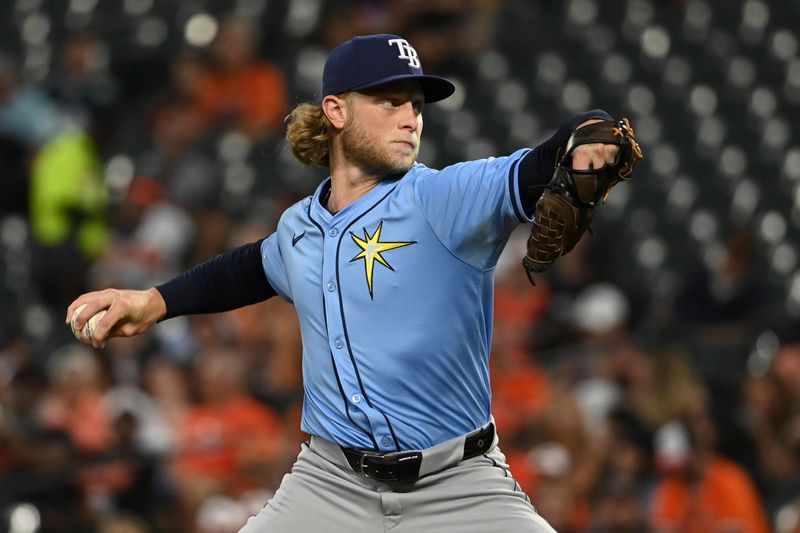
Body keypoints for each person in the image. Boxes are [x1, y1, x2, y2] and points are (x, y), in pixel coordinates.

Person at [67, 34, 633, 532]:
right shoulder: (299, 227)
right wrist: (154, 301)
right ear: (336, 110)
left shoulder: (443, 199)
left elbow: (537, 164)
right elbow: (248, 269)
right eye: (389, 101)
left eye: (416, 104)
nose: (410, 116)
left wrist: (587, 136)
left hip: (459, 483)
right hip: (331, 482)